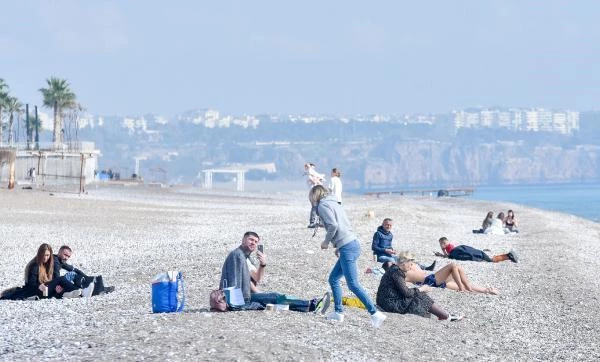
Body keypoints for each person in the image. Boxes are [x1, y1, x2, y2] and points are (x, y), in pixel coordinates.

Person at [309, 185, 387, 328]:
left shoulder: (322, 205)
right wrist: (338, 246)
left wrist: (326, 242)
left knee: (353, 284)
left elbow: (333, 225)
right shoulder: (334, 202)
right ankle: (338, 313)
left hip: (348, 247)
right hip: (350, 244)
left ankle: (375, 313)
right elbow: (342, 224)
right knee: (333, 279)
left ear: (315, 195)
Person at [220, 231, 330, 313]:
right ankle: (311, 305)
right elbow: (235, 281)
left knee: (278, 297)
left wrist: (262, 264)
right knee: (276, 296)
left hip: (245, 296)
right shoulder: (237, 255)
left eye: (255, 241)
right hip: (241, 299)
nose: (253, 243)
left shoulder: (246, 258)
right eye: (250, 239)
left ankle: (308, 304)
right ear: (243, 240)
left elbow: (256, 278)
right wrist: (236, 304)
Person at [376, 256, 464, 321]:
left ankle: (443, 314)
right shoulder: (397, 273)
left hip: (385, 301)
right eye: (410, 265)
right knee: (419, 294)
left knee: (417, 294)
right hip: (388, 304)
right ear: (403, 263)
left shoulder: (394, 271)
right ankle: (446, 316)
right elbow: (407, 293)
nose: (411, 267)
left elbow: (402, 291)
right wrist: (422, 289)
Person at [1, 244, 81, 300]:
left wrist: (56, 286)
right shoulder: (35, 265)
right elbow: (30, 284)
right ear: (39, 254)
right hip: (37, 291)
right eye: (43, 254)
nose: (45, 257)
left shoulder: (48, 264)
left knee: (64, 280)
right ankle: (78, 290)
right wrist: (39, 286)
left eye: (47, 255)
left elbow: (53, 278)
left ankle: (69, 292)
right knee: (60, 279)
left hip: (45, 290)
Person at [399, 251, 500, 295]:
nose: (412, 262)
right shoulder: (404, 272)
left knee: (458, 270)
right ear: (405, 261)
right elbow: (399, 279)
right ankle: (462, 289)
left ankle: (486, 290)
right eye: (410, 260)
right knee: (453, 265)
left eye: (412, 260)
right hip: (431, 280)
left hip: (436, 281)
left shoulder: (413, 266)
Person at [372, 218, 436, 271]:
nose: (388, 226)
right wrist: (385, 250)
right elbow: (374, 247)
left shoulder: (390, 235)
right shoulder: (377, 234)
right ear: (382, 224)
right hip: (380, 256)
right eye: (387, 225)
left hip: (389, 255)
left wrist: (392, 250)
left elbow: (389, 246)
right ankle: (401, 272)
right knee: (392, 260)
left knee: (406, 259)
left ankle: (426, 268)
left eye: (390, 225)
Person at [436, 237, 518, 263]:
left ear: (444, 242)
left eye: (441, 244)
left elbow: (449, 256)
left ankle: (509, 256)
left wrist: (442, 251)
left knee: (491, 260)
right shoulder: (449, 247)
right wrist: (441, 254)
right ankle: (508, 256)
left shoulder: (449, 248)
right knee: (490, 259)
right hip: (465, 250)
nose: (441, 245)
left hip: (465, 251)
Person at [305, 163, 326, 228]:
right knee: (314, 207)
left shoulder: (313, 174)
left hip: (318, 192)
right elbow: (313, 181)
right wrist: (318, 179)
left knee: (320, 207)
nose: (312, 169)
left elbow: (317, 180)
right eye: (312, 167)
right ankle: (312, 222)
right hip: (313, 192)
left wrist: (318, 179)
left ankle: (320, 222)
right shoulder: (308, 175)